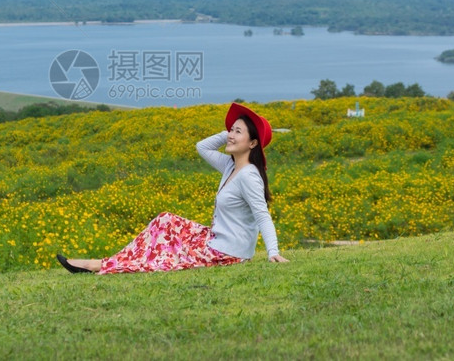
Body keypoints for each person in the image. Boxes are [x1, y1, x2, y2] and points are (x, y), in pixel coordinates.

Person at [56, 102, 288, 274]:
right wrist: (230, 133)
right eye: (231, 130)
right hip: (215, 240)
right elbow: (202, 147)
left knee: (167, 254)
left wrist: (272, 252)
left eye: (238, 132)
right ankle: (110, 261)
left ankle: (98, 265)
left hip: (226, 254)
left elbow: (262, 215)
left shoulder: (248, 175)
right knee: (165, 221)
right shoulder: (230, 165)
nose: (230, 135)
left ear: (253, 143)